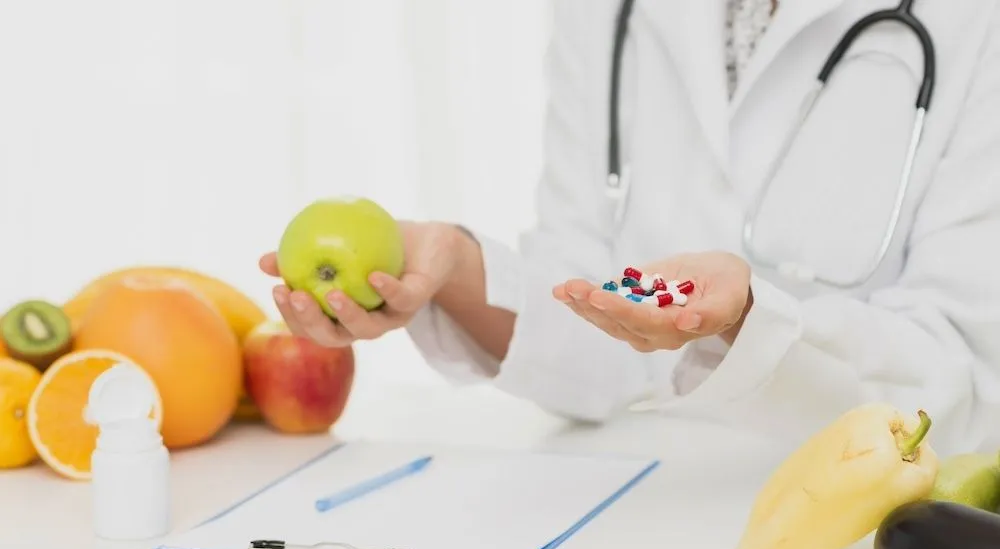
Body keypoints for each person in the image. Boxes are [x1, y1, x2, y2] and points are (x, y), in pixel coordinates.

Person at [260, 0, 1000, 455]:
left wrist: (752, 322)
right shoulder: (603, 11)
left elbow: (965, 387)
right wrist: (452, 268)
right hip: (626, 502)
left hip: (862, 523)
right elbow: (588, 309)